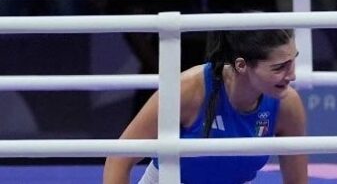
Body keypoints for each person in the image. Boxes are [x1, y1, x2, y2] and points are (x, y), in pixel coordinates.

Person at [103, 29, 307, 184]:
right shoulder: (187, 91)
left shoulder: (287, 104)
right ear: (241, 65)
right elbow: (119, 159)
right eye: (279, 67)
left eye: (292, 62)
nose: (292, 75)